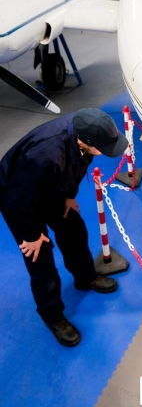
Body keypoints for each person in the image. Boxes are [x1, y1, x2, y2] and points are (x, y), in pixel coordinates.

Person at [0, 108, 128, 347]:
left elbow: (80, 164)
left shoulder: (86, 130)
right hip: (18, 197)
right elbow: (18, 201)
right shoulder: (45, 155)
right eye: (101, 149)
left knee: (74, 229)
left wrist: (69, 196)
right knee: (41, 257)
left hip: (51, 184)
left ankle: (85, 277)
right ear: (83, 141)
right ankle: (53, 316)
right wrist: (32, 235)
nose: (102, 154)